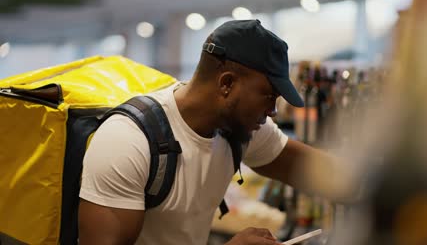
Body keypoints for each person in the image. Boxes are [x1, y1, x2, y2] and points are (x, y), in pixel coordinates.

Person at [78, 19, 358, 245]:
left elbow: (312, 169)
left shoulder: (237, 128)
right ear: (227, 84)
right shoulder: (127, 141)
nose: (273, 110)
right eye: (268, 96)